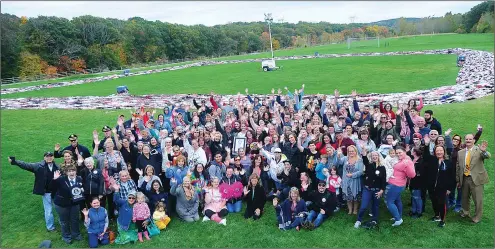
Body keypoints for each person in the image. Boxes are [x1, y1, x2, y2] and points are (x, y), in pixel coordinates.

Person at [8, 152, 59, 232]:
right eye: (47, 156)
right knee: (48, 211)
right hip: (46, 193)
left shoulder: (58, 166)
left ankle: (63, 224)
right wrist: (15, 162)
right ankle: (50, 227)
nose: (49, 158)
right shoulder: (38, 166)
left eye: (51, 156)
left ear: (53, 157)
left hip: (57, 192)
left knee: (60, 209)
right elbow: (26, 165)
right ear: (44, 158)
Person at [456, 136, 490, 224]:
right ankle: (465, 212)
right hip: (464, 178)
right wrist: (458, 180)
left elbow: (487, 156)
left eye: (470, 139)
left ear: (474, 140)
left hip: (476, 179)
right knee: (464, 197)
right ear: (464, 140)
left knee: (478, 199)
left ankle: (477, 217)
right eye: (466, 139)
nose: (468, 140)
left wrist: (484, 151)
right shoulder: (460, 152)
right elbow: (458, 167)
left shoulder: (479, 150)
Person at [51, 166, 84, 244]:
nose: (71, 173)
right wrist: (54, 179)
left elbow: (81, 188)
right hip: (61, 204)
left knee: (74, 219)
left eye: (73, 171)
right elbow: (51, 187)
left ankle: (76, 234)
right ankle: (66, 237)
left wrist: (82, 190)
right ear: (66, 172)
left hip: (75, 203)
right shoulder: (61, 179)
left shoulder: (79, 178)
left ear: (76, 172)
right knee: (64, 221)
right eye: (69, 171)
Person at [354, 151, 386, 229]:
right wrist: (364, 154)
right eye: (373, 156)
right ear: (371, 157)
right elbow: (365, 160)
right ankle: (358, 220)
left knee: (376, 206)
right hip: (367, 189)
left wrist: (382, 190)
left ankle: (374, 219)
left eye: (376, 155)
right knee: (363, 206)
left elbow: (383, 180)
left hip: (377, 190)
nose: (374, 157)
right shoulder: (369, 165)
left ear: (378, 156)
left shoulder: (382, 167)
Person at [384, 147, 415, 227]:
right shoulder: (401, 160)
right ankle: (398, 216)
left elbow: (412, 174)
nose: (398, 154)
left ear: (404, 152)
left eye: (400, 152)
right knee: (397, 200)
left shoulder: (407, 161)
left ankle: (398, 219)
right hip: (396, 183)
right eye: (397, 153)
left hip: (397, 184)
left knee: (389, 202)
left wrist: (406, 167)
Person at [426, 146, 455, 227]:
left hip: (443, 187)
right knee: (434, 202)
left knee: (441, 203)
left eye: (441, 150)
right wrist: (426, 145)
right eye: (437, 150)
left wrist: (449, 188)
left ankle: (442, 220)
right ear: (435, 152)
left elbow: (452, 176)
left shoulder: (448, 162)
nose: (439, 152)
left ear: (444, 151)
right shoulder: (432, 161)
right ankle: (437, 216)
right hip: (432, 187)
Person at [337, 145, 364, 215]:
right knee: (347, 196)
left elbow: (361, 171)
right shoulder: (345, 158)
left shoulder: (359, 160)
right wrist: (339, 155)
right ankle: (350, 210)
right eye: (349, 151)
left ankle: (355, 210)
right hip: (346, 181)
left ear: (355, 151)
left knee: (355, 197)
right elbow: (339, 163)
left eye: (352, 151)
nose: (351, 152)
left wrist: (352, 175)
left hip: (355, 181)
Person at [409, 148, 424, 218]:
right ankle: (413, 210)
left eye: (412, 151)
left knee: (417, 197)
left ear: (414, 152)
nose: (411, 152)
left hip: (418, 182)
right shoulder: (413, 160)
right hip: (412, 181)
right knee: (413, 196)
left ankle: (419, 212)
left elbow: (420, 173)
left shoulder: (420, 161)